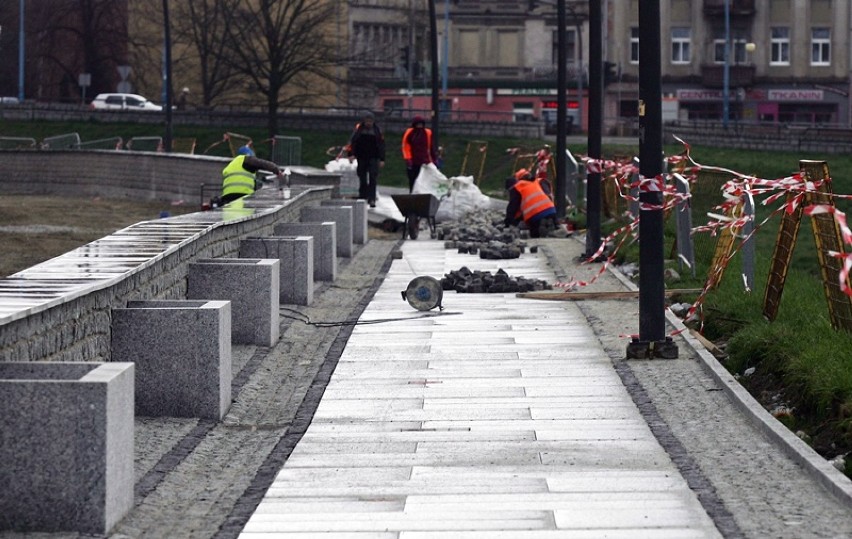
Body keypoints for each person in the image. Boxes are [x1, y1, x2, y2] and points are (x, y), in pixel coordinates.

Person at [504, 168, 558, 238]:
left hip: (534, 214)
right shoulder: (536, 182)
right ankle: (556, 227)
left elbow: (513, 207)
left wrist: (508, 222)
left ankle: (539, 237)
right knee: (552, 227)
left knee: (534, 234)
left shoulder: (518, 187)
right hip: (551, 210)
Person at [346, 111, 385, 207]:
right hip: (361, 156)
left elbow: (381, 145)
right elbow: (352, 142)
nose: (368, 123)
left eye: (370, 121)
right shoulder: (359, 130)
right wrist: (350, 154)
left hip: (373, 157)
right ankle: (363, 196)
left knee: (373, 178)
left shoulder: (377, 131)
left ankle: (372, 199)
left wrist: (382, 159)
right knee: (362, 177)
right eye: (367, 121)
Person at [401, 115, 436, 193]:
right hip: (413, 161)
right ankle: (412, 193)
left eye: (421, 124)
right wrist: (408, 158)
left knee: (424, 180)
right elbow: (405, 146)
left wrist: (433, 159)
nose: (419, 126)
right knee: (413, 179)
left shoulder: (427, 132)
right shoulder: (410, 132)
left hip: (425, 161)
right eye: (418, 124)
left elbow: (430, 147)